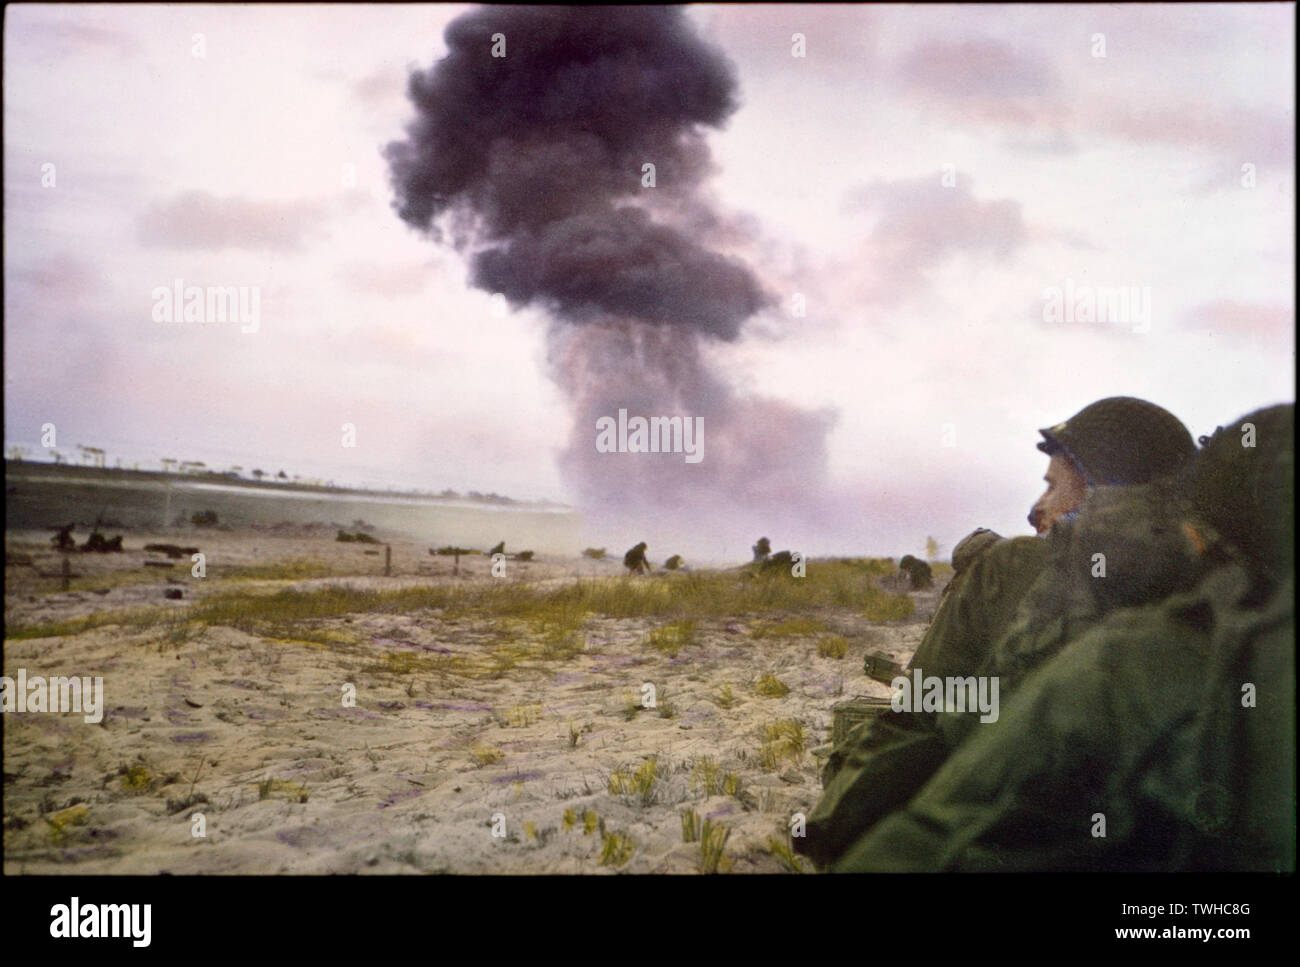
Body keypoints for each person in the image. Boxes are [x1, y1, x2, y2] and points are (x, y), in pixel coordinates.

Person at [831, 404, 1294, 871]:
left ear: (1106, 493)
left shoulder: (1013, 572)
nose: (1036, 508)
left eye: (1053, 485)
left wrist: (833, 832)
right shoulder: (1227, 596)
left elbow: (918, 720)